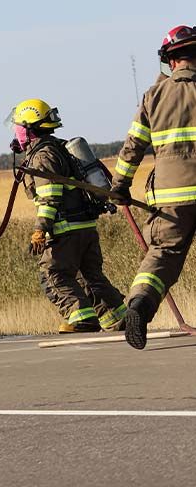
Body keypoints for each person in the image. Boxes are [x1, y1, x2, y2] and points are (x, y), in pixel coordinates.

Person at [111, 25, 196, 349]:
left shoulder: (153, 95)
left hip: (172, 196)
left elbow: (133, 146)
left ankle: (140, 306)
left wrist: (120, 185)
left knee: (162, 255)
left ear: (171, 62)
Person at [10, 98, 127, 333]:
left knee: (53, 274)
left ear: (29, 129)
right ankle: (120, 317)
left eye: (19, 127)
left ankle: (82, 319)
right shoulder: (59, 148)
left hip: (65, 229)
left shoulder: (43, 157)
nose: (17, 133)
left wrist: (40, 229)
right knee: (90, 276)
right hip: (85, 226)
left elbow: (49, 196)